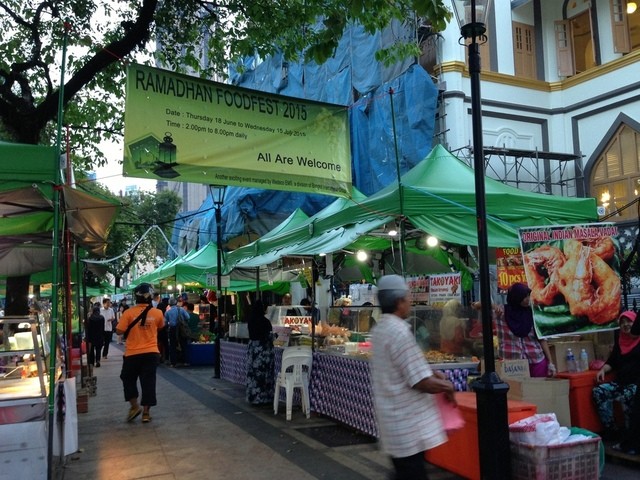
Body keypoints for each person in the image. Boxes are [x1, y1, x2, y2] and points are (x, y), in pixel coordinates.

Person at [370, 275, 455, 480]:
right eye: (408, 297)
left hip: (393, 422)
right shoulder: (399, 332)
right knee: (411, 473)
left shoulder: (380, 329)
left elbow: (402, 367)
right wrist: (447, 387)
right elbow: (420, 382)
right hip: (406, 426)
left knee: (404, 473)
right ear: (399, 302)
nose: (410, 301)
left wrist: (429, 372)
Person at [478, 283, 556, 378]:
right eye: (524, 297)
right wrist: (494, 306)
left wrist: (550, 362)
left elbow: (542, 339)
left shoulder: (532, 313)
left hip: (536, 361)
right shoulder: (502, 312)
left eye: (528, 296)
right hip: (512, 365)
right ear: (516, 297)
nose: (528, 299)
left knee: (538, 387)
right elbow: (476, 305)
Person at [115, 283, 165, 423]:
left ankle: (134, 406)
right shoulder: (157, 313)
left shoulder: (128, 313)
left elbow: (119, 331)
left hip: (132, 354)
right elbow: (161, 326)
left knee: (127, 378)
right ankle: (146, 413)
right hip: (151, 353)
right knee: (148, 381)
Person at [592, 310, 640, 448]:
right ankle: (612, 430)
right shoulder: (620, 342)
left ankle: (630, 436)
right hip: (620, 382)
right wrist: (602, 370)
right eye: (622, 322)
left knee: (628, 396)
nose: (626, 325)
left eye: (629, 321)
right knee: (599, 392)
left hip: (636, 384)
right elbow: (612, 362)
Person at [245, 299, 275, 405]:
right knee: (264, 374)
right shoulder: (265, 321)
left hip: (253, 349)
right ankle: (264, 398)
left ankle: (253, 397)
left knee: (253, 374)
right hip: (263, 351)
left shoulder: (250, 320)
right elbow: (269, 336)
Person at [164, 297, 190, 367]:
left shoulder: (167, 312)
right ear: (176, 303)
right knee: (183, 344)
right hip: (181, 329)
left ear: (169, 304)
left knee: (172, 346)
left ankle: (173, 363)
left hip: (172, 329)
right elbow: (188, 317)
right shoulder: (181, 309)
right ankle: (185, 361)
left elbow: (165, 322)